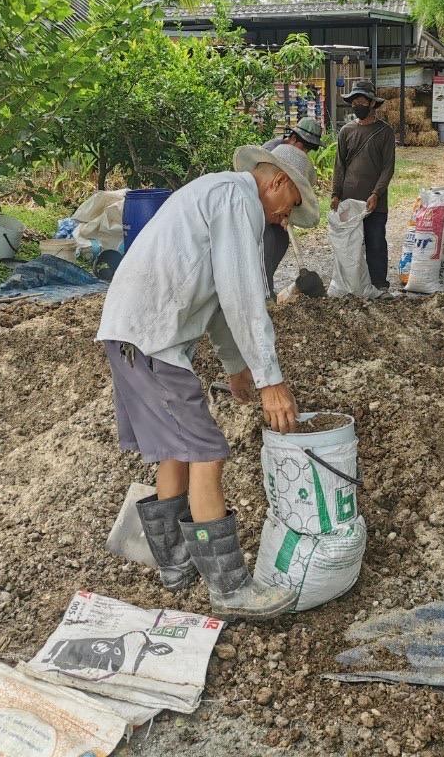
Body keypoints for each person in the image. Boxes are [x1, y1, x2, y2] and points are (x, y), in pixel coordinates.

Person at [96, 143, 319, 620]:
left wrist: (237, 367)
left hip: (133, 333)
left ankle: (175, 565)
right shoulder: (237, 200)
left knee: (177, 448)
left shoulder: (217, 194)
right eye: (291, 207)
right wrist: (270, 381)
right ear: (277, 181)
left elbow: (219, 297)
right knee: (207, 451)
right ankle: (231, 588)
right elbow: (242, 295)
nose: (284, 219)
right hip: (152, 336)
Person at [331, 79, 396, 290]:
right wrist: (335, 193)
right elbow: (339, 165)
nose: (357, 105)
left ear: (371, 104)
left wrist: (376, 193)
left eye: (362, 101)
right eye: (354, 101)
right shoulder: (346, 132)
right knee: (351, 247)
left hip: (374, 202)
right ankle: (354, 285)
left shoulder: (384, 132)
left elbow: (388, 168)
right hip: (350, 201)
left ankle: (379, 284)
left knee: (375, 242)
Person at [262, 116, 324, 294]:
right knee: (266, 243)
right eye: (303, 147)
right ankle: (264, 292)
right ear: (294, 138)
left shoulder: (299, 162)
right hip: (264, 211)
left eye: (308, 150)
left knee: (280, 241)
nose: (305, 153)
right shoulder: (270, 150)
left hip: (281, 211)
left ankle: (267, 283)